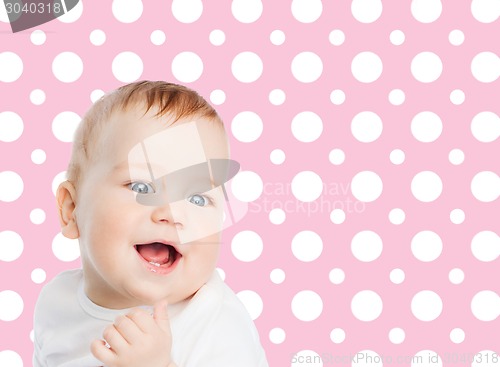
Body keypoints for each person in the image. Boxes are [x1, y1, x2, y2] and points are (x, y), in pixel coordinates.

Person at [33, 81, 268, 367]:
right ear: (72, 210)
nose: (171, 213)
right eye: (142, 188)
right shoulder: (57, 304)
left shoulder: (215, 325)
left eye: (197, 198)